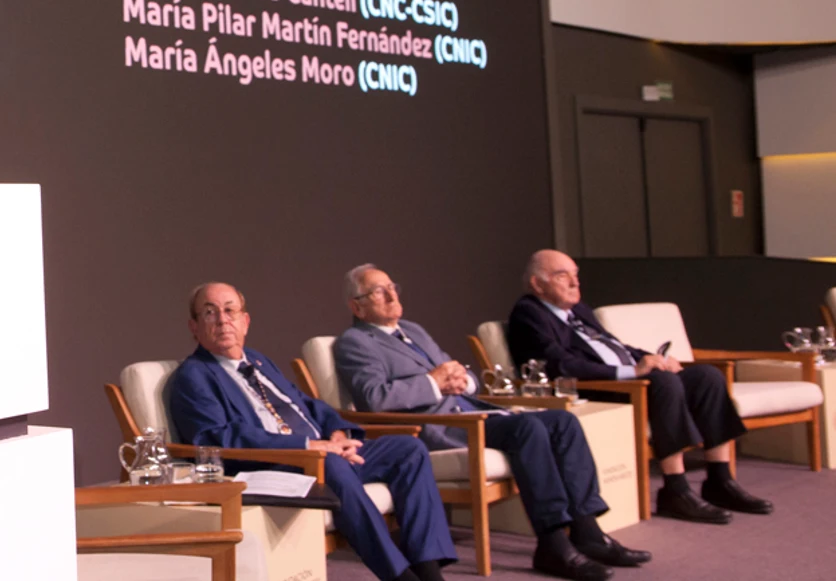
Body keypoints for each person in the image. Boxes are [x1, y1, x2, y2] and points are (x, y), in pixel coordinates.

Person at [334, 265, 648, 580]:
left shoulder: (413, 330)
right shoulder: (355, 342)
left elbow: (459, 370)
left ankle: (587, 530)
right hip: (437, 425)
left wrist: (464, 381)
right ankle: (552, 543)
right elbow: (374, 397)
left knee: (562, 422)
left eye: (392, 287)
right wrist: (434, 382)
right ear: (356, 306)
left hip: (469, 410)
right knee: (527, 428)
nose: (391, 296)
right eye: (379, 291)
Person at [166, 282, 455, 581]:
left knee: (408, 450)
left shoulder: (258, 361)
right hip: (272, 465)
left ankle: (429, 571)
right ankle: (399, 576)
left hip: (321, 454)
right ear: (194, 326)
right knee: (330, 465)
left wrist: (339, 434)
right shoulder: (194, 375)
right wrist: (309, 447)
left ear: (245, 321)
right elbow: (218, 437)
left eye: (230, 311)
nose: (222, 320)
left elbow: (307, 404)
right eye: (210, 313)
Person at [506, 249, 768, 523]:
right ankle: (676, 489)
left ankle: (720, 480)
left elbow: (616, 346)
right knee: (663, 383)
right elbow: (560, 365)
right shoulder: (529, 314)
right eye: (563, 276)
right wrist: (633, 371)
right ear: (538, 284)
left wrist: (654, 359)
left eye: (576, 275)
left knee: (707, 377)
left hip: (632, 378)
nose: (575, 283)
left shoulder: (578, 310)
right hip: (599, 389)